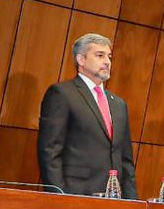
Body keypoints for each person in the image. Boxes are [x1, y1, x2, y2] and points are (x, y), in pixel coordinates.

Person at [38, 33, 136, 198]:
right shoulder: (62, 94)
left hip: (115, 199)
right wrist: (59, 197)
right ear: (81, 60)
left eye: (109, 57)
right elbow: (50, 151)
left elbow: (126, 159)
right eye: (100, 55)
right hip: (76, 194)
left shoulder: (118, 104)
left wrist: (132, 202)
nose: (107, 62)